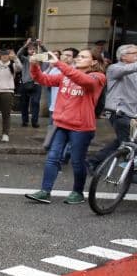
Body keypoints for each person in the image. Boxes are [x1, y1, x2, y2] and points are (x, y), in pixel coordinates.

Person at [25, 49, 106, 204]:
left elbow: (84, 81)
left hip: (81, 128)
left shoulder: (98, 77)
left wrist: (58, 63)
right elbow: (42, 79)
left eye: (83, 57)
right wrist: (34, 65)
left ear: (94, 62)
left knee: (77, 161)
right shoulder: (67, 75)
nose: (79, 58)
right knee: (52, 158)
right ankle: (45, 191)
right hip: (61, 124)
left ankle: (78, 192)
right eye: (79, 56)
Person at [89, 43, 137, 168]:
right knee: (128, 142)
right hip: (118, 111)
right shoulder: (114, 68)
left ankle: (94, 161)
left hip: (131, 112)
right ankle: (130, 171)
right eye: (135, 53)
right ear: (123, 57)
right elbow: (128, 69)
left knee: (122, 140)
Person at [16, 38, 45, 128]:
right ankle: (24, 121)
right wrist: (25, 45)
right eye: (30, 49)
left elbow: (49, 56)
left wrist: (41, 45)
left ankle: (34, 122)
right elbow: (18, 54)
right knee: (24, 103)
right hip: (25, 83)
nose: (32, 51)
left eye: (33, 49)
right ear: (28, 51)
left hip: (36, 84)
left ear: (36, 50)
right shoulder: (25, 59)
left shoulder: (39, 58)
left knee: (35, 103)